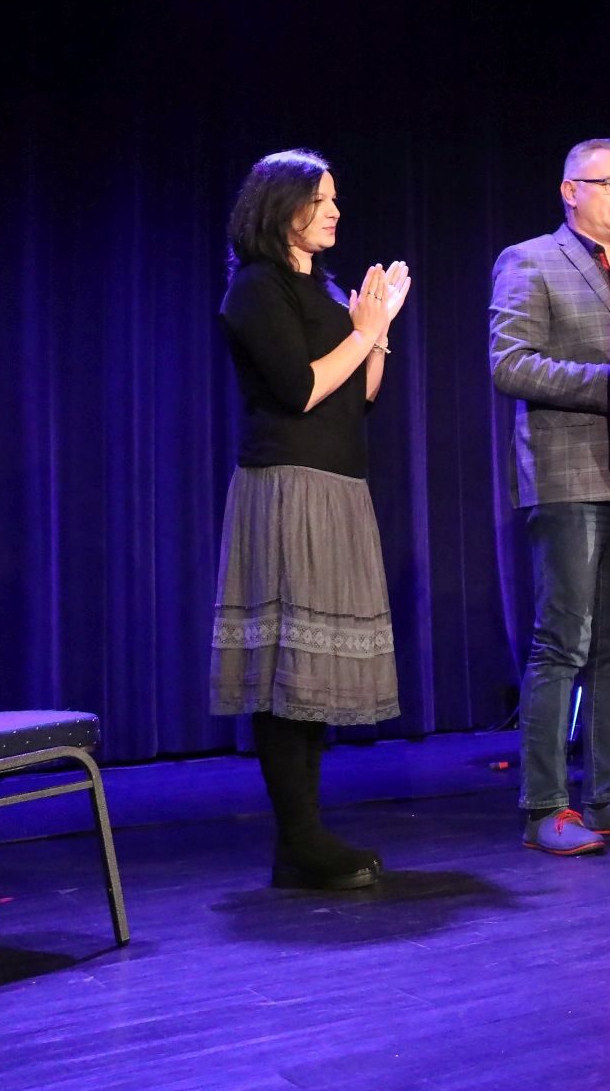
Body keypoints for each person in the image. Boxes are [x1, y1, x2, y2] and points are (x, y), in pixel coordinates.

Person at [211, 148, 409, 890]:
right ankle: (299, 839)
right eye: (319, 199)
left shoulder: (320, 288)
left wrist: (377, 328)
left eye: (334, 198)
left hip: (337, 483)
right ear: (281, 206)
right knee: (284, 669)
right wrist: (363, 330)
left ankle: (303, 839)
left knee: (312, 673)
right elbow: (299, 389)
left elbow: (360, 393)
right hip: (287, 484)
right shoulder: (256, 289)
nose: (334, 211)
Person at [489, 139, 610, 855]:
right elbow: (511, 365)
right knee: (563, 643)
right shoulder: (530, 260)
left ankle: (608, 796)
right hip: (566, 477)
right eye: (609, 183)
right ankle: (544, 805)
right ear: (569, 189)